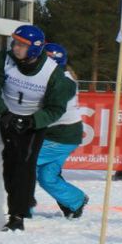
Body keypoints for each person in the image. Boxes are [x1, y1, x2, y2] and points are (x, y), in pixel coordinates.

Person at [0, 24, 71, 231]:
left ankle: (18, 215)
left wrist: (34, 121)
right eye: (15, 42)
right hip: (8, 117)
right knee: (10, 164)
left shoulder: (52, 72)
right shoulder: (4, 59)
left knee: (25, 165)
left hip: (33, 124)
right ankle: (24, 199)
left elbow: (56, 107)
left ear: (34, 48)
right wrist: (2, 112)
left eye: (22, 45)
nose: (16, 47)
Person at [35, 44, 87, 218]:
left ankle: (20, 207)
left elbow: (50, 111)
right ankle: (75, 201)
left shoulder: (61, 82)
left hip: (61, 135)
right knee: (47, 176)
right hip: (62, 134)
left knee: (25, 164)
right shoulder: (58, 77)